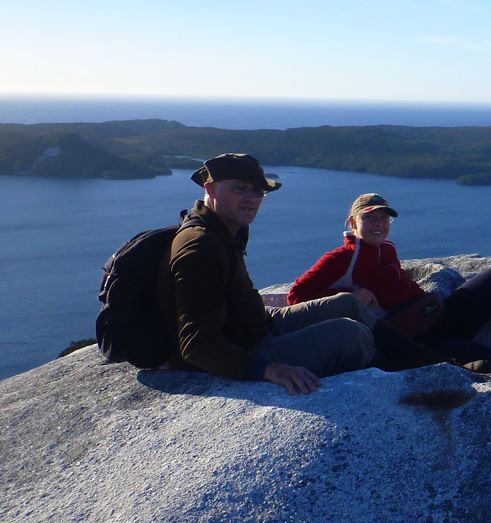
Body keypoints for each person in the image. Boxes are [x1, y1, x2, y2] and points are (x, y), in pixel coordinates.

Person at [158, 153, 439, 395]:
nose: (251, 199)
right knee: (351, 334)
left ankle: (423, 358)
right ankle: (409, 373)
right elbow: (196, 344)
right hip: (244, 348)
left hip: (255, 325)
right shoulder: (200, 247)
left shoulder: (225, 230)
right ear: (211, 188)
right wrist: (269, 369)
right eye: (240, 189)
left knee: (347, 303)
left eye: (258, 191)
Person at [286, 193, 491, 373]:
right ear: (352, 221)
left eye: (384, 218)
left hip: (434, 314)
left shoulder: (386, 248)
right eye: (370, 217)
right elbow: (296, 295)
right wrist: (349, 293)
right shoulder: (341, 258)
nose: (379, 224)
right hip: (404, 340)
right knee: (480, 360)